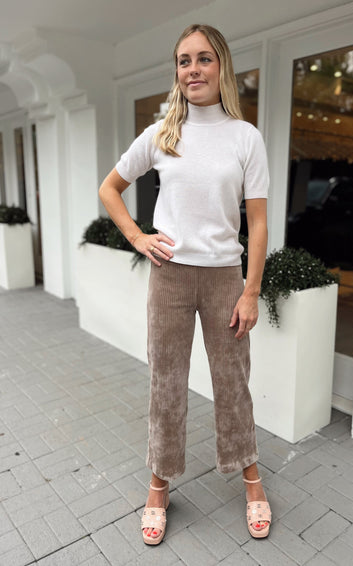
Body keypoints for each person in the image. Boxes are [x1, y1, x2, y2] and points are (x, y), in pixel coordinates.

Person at [99, 23, 271, 545]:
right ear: (177, 71)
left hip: (225, 279)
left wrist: (250, 291)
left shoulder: (245, 137)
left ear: (222, 66)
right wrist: (137, 236)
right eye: (183, 61)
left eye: (203, 58)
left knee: (232, 382)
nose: (193, 69)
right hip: (169, 277)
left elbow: (258, 222)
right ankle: (159, 485)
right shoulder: (161, 134)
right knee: (166, 383)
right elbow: (110, 188)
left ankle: (251, 478)